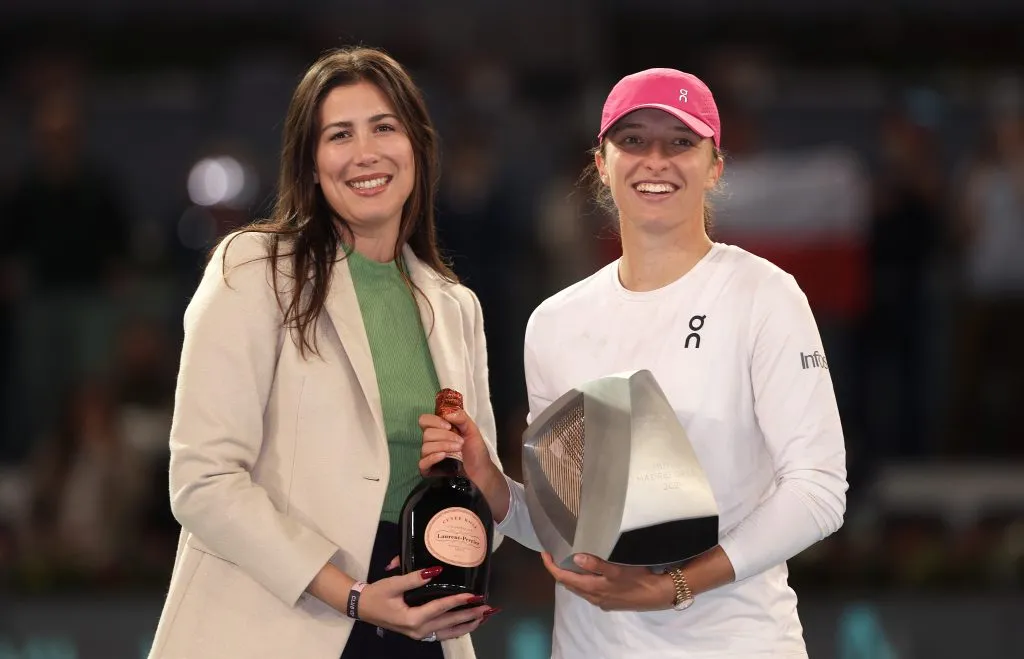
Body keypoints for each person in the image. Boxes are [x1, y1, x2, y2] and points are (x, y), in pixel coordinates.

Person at [420, 68, 848, 658]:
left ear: (715, 166)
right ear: (601, 162)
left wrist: (673, 586)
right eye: (634, 141)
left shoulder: (763, 295)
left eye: (680, 142)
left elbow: (819, 491)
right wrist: (492, 484)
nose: (656, 160)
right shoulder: (555, 323)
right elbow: (568, 530)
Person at [149, 46, 500, 659]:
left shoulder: (455, 306)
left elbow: (482, 515)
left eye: (384, 127)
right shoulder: (254, 268)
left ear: (417, 146)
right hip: (277, 623)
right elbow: (202, 480)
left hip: (420, 635)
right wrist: (353, 595)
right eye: (340, 135)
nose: (365, 153)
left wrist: (481, 472)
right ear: (311, 164)